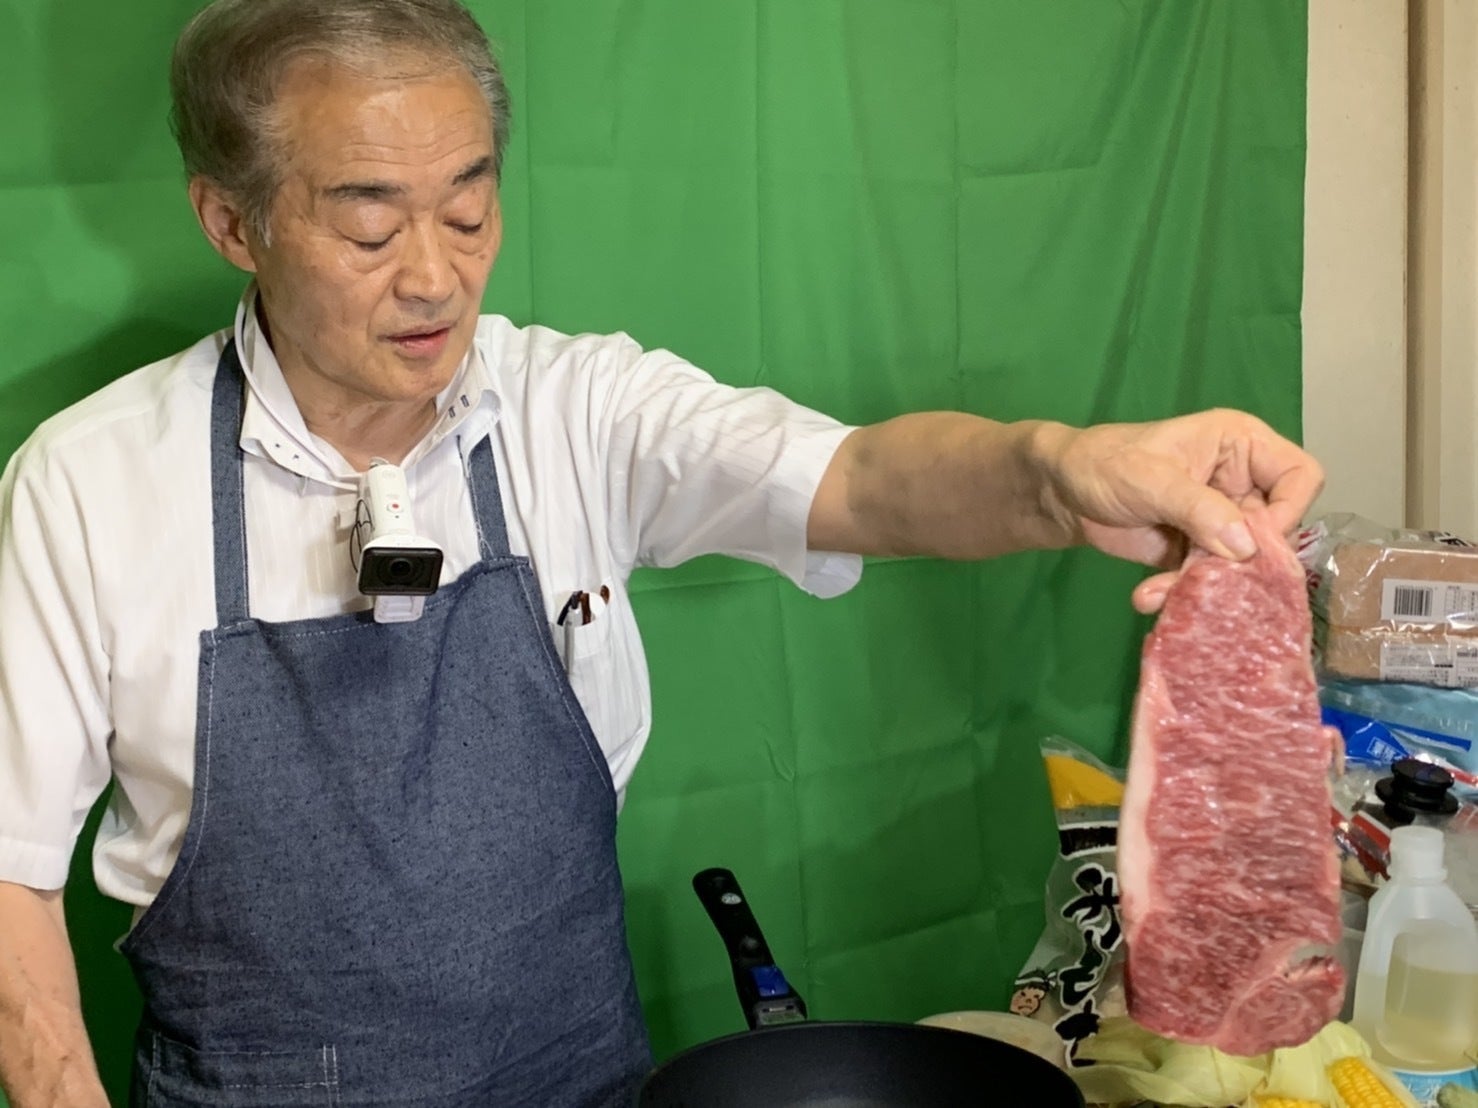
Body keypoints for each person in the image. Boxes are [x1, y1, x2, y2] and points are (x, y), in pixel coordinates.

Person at [0, 1, 1325, 1105]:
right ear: (231, 222)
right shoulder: (92, 482)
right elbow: (7, 876)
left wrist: (1053, 470)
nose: (436, 277)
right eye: (369, 225)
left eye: (469, 207)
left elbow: (862, 479)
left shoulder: (576, 409)